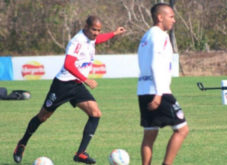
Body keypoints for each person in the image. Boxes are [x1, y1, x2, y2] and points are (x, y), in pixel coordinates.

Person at [13, 15, 126, 164]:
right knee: (42, 117)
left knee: (95, 113)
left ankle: (80, 153)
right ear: (85, 26)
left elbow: (97, 40)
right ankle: (22, 144)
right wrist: (86, 79)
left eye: (99, 30)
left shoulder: (91, 38)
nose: (96, 33)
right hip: (62, 85)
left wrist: (114, 33)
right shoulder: (76, 41)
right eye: (94, 29)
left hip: (77, 86)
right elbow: (68, 64)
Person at [137, 3, 189, 165]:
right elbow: (155, 64)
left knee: (149, 135)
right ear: (160, 17)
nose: (174, 20)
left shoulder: (146, 36)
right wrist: (159, 93)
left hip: (143, 90)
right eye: (171, 16)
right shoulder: (160, 36)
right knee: (182, 130)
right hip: (159, 91)